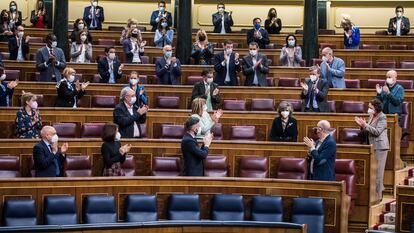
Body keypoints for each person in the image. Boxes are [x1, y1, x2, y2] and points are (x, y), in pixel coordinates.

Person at [355, 99, 389, 200]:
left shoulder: (382, 117)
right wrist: (362, 126)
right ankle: (374, 194)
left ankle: (379, 196)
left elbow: (377, 131)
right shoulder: (371, 116)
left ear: (376, 108)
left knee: (378, 172)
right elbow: (368, 129)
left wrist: (365, 125)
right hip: (371, 146)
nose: (369, 109)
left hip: (380, 148)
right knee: (372, 171)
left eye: (371, 108)